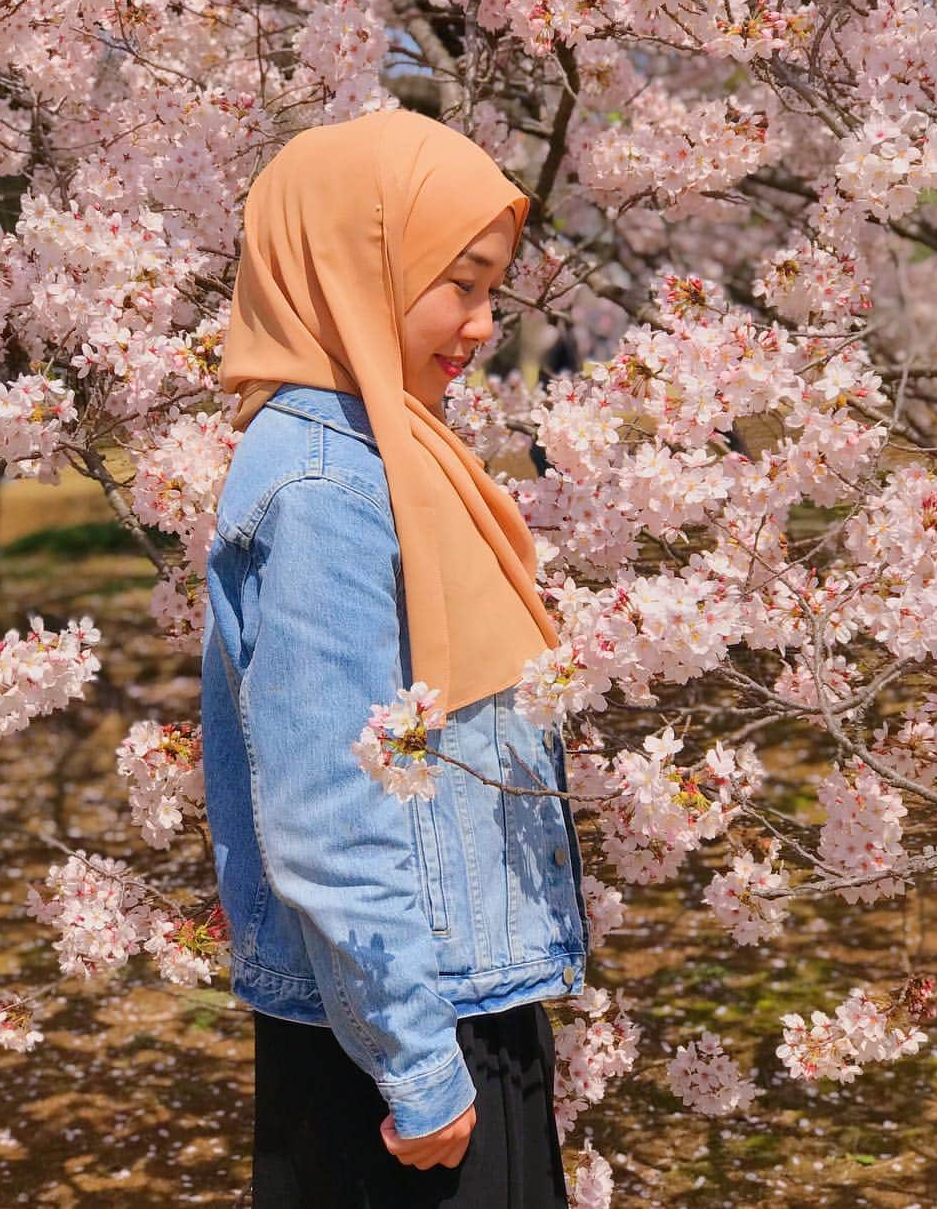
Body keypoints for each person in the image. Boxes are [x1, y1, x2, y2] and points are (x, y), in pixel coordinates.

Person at [200, 108, 589, 1208]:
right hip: (395, 1041)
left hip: (439, 998)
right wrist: (418, 1072)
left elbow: (404, 739)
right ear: (351, 266)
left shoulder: (387, 449)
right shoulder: (325, 489)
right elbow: (335, 808)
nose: (478, 324)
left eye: (492, 291)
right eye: (456, 283)